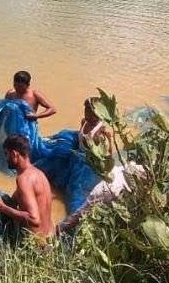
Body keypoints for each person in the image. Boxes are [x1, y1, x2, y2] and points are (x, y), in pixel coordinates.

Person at [57, 97, 137, 235]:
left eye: (91, 111)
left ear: (98, 112)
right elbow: (79, 141)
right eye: (86, 109)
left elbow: (109, 154)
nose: (88, 113)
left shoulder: (102, 131)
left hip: (90, 169)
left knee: (80, 198)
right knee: (68, 188)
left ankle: (75, 227)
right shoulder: (83, 123)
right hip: (78, 163)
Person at [0, 134, 55, 239]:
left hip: (36, 245)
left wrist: (1, 207)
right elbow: (20, 199)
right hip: (50, 239)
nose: (6, 159)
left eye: (6, 154)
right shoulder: (39, 174)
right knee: (1, 196)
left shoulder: (24, 180)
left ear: (14, 154)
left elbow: (34, 220)